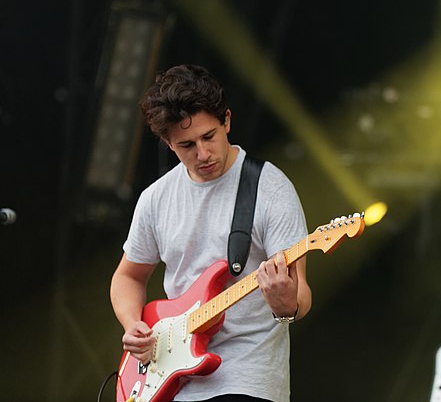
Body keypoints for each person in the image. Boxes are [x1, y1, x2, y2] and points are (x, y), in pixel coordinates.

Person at [110, 64, 312, 402]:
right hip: (168, 377)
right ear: (167, 142)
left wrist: (285, 303)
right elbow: (128, 277)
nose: (202, 154)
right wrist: (133, 324)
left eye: (209, 137)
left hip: (248, 378)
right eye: (186, 145)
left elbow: (300, 294)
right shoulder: (156, 198)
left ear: (227, 121)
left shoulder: (270, 188)